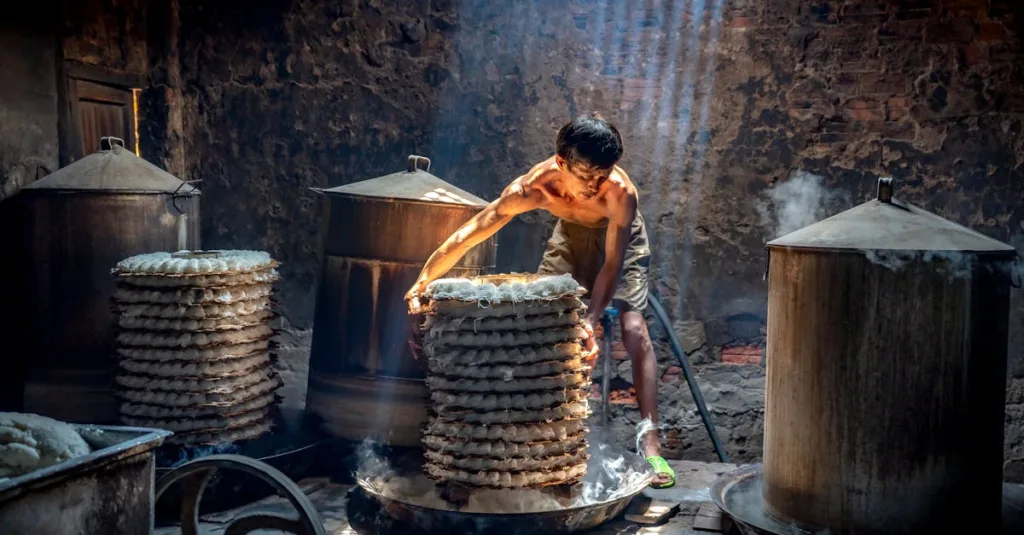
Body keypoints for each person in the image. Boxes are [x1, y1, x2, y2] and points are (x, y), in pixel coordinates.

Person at [404, 112, 675, 488]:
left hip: (619, 243)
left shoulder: (620, 194)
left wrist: (589, 320)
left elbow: (611, 264)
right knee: (544, 324)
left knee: (633, 327)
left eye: (603, 174)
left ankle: (651, 444)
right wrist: (423, 280)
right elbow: (471, 234)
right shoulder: (530, 189)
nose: (596, 185)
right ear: (562, 162)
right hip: (569, 237)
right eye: (586, 176)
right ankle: (539, 443)